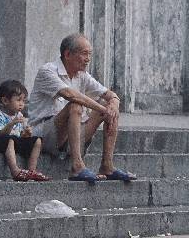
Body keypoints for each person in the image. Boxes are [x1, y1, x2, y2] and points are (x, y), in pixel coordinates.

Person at [28, 33, 136, 184]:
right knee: (75, 105)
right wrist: (102, 108)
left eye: (89, 54)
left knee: (110, 107)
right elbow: (70, 95)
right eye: (84, 53)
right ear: (67, 54)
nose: (88, 59)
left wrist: (113, 104)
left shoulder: (82, 75)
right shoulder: (48, 71)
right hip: (45, 135)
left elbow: (109, 94)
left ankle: (107, 166)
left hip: (73, 135)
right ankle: (77, 166)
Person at [0, 80, 49, 181]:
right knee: (10, 139)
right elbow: (0, 135)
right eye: (18, 100)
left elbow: (20, 136)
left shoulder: (19, 115)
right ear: (5, 101)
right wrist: (12, 123)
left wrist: (26, 134)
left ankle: (31, 171)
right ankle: (15, 171)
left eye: (24, 101)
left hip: (14, 143)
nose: (22, 104)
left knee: (37, 140)